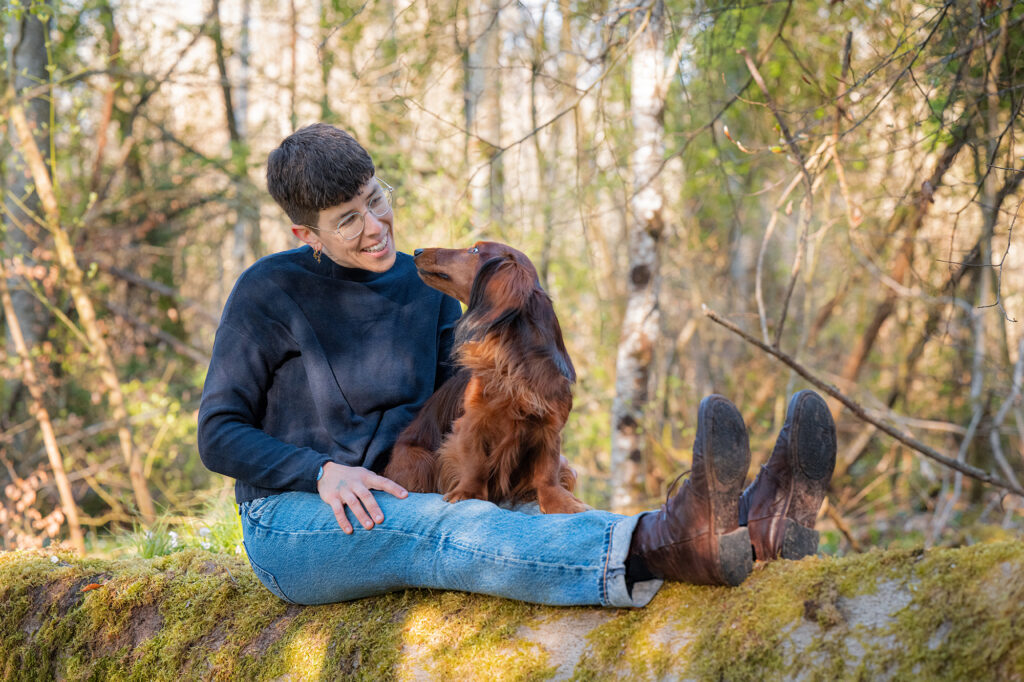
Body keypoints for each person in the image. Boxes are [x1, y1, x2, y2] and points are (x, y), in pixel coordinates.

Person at [197, 123, 837, 607]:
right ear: (304, 236)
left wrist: (539, 450)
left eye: (375, 198)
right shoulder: (267, 292)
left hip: (424, 488)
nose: (376, 227)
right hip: (297, 522)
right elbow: (217, 433)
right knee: (445, 529)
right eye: (347, 221)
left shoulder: (429, 290)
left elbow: (477, 403)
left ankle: (753, 530)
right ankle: (675, 542)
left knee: (546, 519)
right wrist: (324, 472)